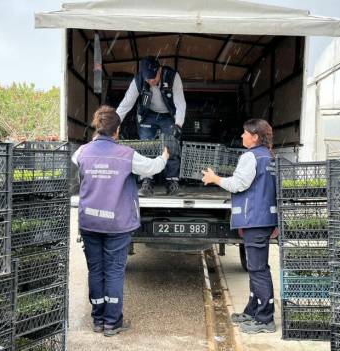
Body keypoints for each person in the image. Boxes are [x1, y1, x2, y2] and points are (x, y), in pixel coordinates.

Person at [71, 105, 170, 336]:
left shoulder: (81, 152)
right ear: (117, 131)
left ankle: (97, 319)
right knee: (114, 271)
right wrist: (165, 155)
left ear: (97, 128)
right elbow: (153, 167)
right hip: (117, 224)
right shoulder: (127, 154)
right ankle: (112, 323)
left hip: (90, 223)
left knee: (95, 271)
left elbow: (80, 171)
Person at [201, 118, 278, 334]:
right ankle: (253, 310)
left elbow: (238, 184)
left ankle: (265, 318)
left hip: (255, 219)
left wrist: (214, 178)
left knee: (258, 268)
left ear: (255, 137)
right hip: (264, 219)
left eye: (245, 133)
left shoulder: (250, 156)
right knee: (257, 267)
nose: (242, 136)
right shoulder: (269, 156)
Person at [116, 56, 186, 196]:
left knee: (171, 144)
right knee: (146, 145)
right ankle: (146, 181)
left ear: (160, 70)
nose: (151, 81)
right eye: (148, 79)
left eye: (154, 78)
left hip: (168, 115)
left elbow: (180, 102)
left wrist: (178, 124)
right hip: (148, 115)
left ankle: (172, 181)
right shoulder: (138, 80)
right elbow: (126, 104)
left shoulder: (172, 77)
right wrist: (114, 124)